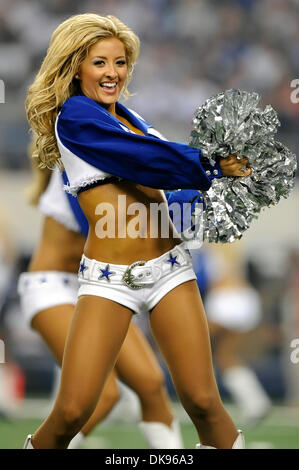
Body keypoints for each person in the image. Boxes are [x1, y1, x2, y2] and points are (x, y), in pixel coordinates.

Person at [24, 13, 251, 449]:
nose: (112, 73)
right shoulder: (75, 118)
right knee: (72, 410)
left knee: (204, 402)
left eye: (120, 62)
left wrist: (220, 194)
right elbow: (142, 160)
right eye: (99, 63)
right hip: (110, 281)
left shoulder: (135, 120)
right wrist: (211, 163)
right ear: (75, 67)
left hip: (171, 271)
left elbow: (169, 192)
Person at [18, 164, 184, 449]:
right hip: (52, 289)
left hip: (92, 289)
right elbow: (111, 235)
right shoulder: (76, 167)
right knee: (100, 397)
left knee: (151, 383)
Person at [195, 244, 272, 428]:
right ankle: (255, 403)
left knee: (194, 346)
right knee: (225, 356)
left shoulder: (208, 241)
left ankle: (203, 402)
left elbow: (205, 275)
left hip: (226, 299)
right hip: (242, 296)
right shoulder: (228, 237)